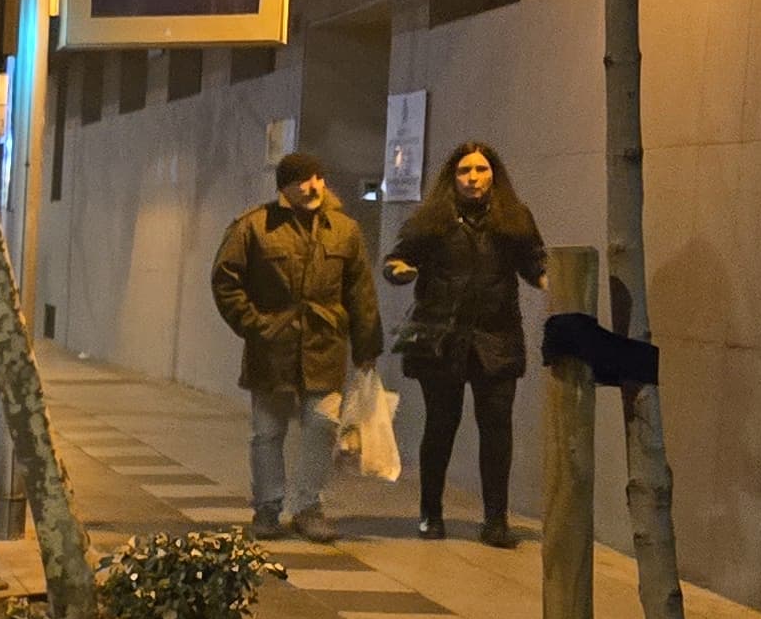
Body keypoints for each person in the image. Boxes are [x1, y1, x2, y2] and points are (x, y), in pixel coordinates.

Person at [210, 150, 382, 543]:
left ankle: (308, 505)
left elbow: (361, 291)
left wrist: (366, 345)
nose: (313, 186)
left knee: (322, 424)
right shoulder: (254, 227)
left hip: (325, 345)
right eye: (302, 180)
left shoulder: (344, 230)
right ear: (285, 188)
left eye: (318, 178)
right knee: (267, 431)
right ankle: (268, 507)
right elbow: (225, 281)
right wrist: (255, 325)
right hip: (273, 347)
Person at [384, 140, 543, 546]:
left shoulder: (513, 218)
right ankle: (429, 515)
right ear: (452, 177)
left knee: (496, 429)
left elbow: (534, 263)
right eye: (464, 171)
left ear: (494, 175)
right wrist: (400, 270)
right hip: (441, 338)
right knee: (441, 425)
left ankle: (495, 520)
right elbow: (397, 258)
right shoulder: (433, 219)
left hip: (496, 337)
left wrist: (553, 282)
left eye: (481, 170)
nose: (473, 178)